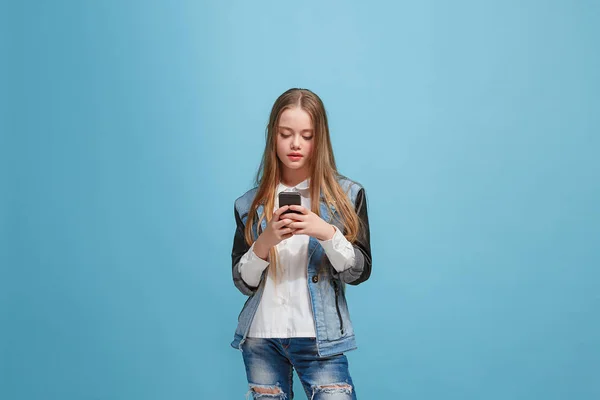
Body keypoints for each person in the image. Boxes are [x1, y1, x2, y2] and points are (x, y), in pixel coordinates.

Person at [230, 88, 372, 399]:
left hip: (319, 338)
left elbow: (359, 271)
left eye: (307, 135)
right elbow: (243, 281)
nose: (296, 144)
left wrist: (325, 232)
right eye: (286, 134)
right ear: (273, 137)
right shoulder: (249, 204)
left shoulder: (347, 196)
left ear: (320, 139)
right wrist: (266, 241)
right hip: (261, 338)